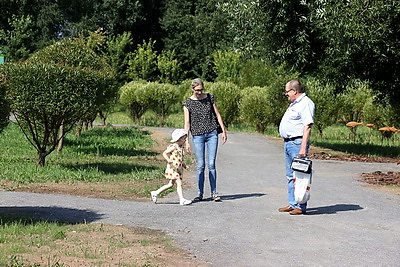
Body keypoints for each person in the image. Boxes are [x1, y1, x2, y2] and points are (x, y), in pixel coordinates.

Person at [183, 78, 227, 202]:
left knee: (212, 164)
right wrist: (186, 141)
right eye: (197, 90)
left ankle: (214, 193)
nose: (200, 92)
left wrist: (223, 130)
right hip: (197, 135)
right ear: (192, 89)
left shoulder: (209, 97)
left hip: (212, 133)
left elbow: (217, 114)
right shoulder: (188, 103)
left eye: (202, 89)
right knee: (201, 165)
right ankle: (200, 193)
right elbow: (187, 123)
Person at [278, 79, 315, 215]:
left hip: (297, 143)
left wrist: (303, 148)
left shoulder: (305, 103)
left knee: (300, 175)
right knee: (290, 176)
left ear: (294, 91)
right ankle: (292, 204)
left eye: (287, 91)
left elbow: (307, 127)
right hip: (289, 142)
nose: (286, 94)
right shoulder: (295, 103)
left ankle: (301, 206)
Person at [150, 129, 192, 205]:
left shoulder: (181, 147)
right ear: (178, 139)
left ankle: (155, 192)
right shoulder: (174, 146)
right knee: (179, 183)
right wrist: (168, 159)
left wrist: (184, 165)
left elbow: (180, 159)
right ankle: (182, 199)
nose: (185, 140)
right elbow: (164, 153)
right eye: (183, 138)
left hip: (178, 168)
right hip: (173, 168)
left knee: (170, 184)